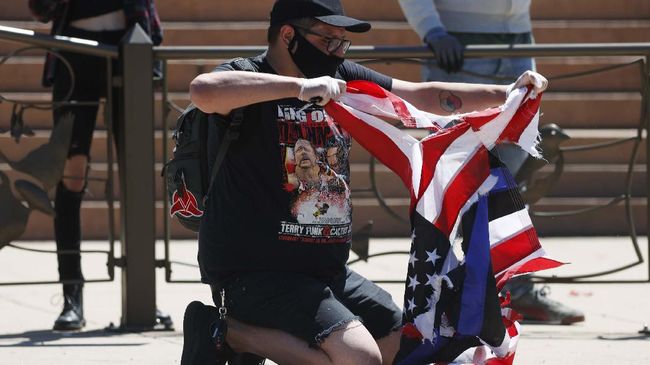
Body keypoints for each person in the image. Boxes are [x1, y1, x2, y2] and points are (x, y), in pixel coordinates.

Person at [181, 0, 548, 364]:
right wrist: (298, 87)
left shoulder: (342, 77)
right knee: (359, 358)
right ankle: (225, 332)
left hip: (324, 269)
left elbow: (423, 96)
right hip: (256, 270)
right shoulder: (249, 75)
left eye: (343, 43)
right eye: (328, 40)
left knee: (401, 345)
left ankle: (250, 337)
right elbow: (204, 90)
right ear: (288, 35)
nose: (337, 52)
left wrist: (509, 93)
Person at [398, 0, 585, 326]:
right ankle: (447, 296)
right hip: (456, 45)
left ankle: (515, 290)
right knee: (457, 179)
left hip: (517, 41)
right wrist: (431, 28)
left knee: (512, 180)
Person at [28, 0, 162, 331]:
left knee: (136, 170)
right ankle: (71, 294)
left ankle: (143, 299)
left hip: (130, 45)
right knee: (72, 173)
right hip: (72, 48)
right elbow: (40, 8)